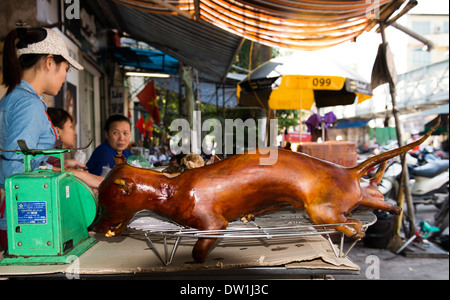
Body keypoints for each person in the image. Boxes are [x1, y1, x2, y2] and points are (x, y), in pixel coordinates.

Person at [0, 26, 84, 249]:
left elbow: (23, 157)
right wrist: (59, 171)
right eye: (65, 68)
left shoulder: (15, 97)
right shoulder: (29, 105)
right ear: (49, 62)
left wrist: (58, 163)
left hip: (18, 215)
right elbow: (13, 171)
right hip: (26, 219)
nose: (65, 76)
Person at [46, 107, 103, 188]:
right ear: (57, 131)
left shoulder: (55, 155)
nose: (74, 132)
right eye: (71, 127)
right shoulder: (47, 152)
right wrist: (80, 175)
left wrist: (65, 164)